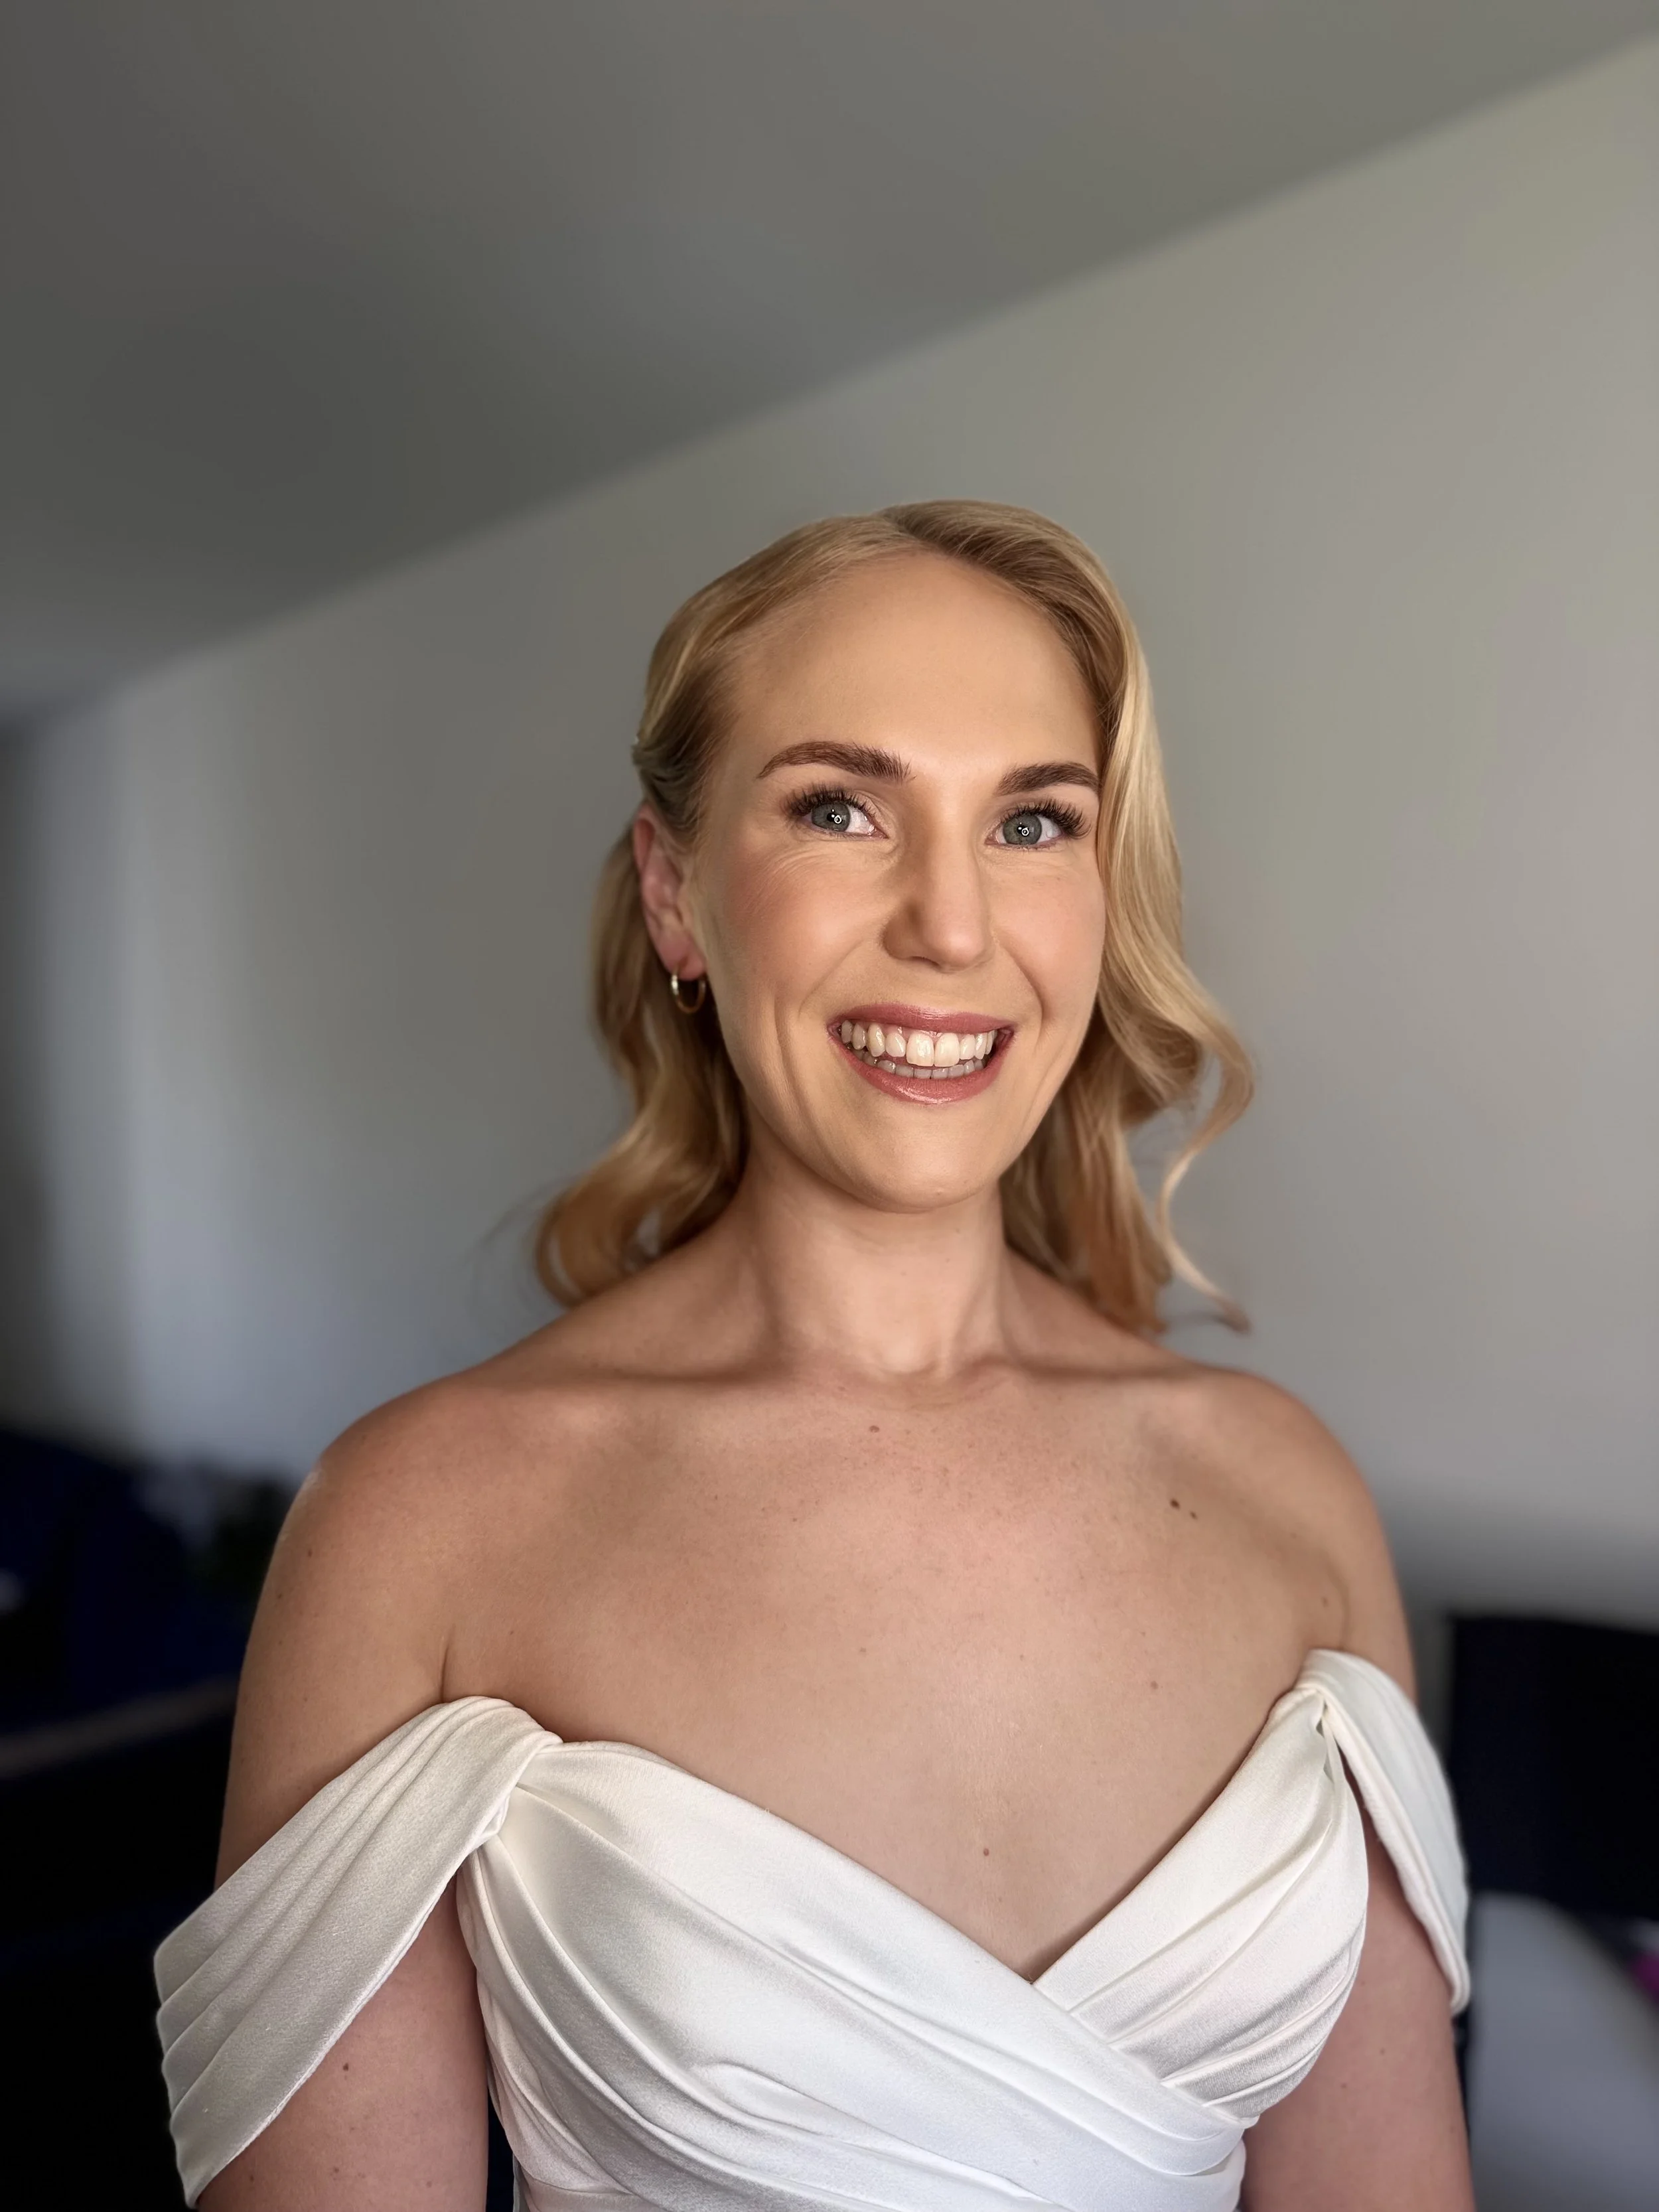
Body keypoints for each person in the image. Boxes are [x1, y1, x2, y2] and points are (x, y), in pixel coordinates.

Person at [157, 502, 1474, 2211]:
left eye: (1030, 820)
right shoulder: (418, 1522)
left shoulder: (1286, 1496)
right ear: (674, 893)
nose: (950, 924)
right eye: (840, 808)